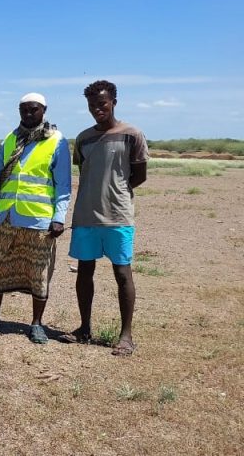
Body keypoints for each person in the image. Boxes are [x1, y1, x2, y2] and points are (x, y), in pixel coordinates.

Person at [0, 93, 71, 344]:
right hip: (6, 215)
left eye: (33, 109)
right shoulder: (10, 139)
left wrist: (59, 217)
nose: (28, 114)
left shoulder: (56, 141)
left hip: (38, 219)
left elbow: (63, 185)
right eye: (24, 110)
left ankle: (36, 323)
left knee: (38, 271)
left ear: (44, 110)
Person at [63, 80, 149, 356]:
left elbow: (139, 175)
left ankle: (126, 336)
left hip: (118, 216)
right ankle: (84, 328)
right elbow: (86, 172)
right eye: (92, 105)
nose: (97, 109)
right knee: (84, 272)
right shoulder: (83, 138)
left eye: (102, 103)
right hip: (86, 215)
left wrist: (117, 192)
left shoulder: (132, 134)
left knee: (122, 273)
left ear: (114, 102)